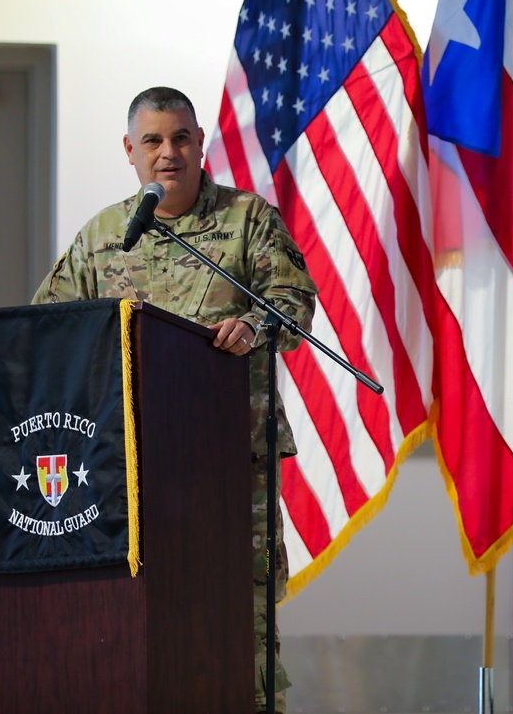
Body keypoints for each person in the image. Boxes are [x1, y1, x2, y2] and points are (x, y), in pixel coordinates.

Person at [32, 86, 318, 713]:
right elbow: (45, 329)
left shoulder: (249, 220)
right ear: (130, 151)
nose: (169, 153)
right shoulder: (104, 236)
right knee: (133, 612)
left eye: (182, 138)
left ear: (200, 146)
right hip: (123, 466)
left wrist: (257, 327)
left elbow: (295, 307)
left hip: (231, 459)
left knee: (241, 611)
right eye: (154, 141)